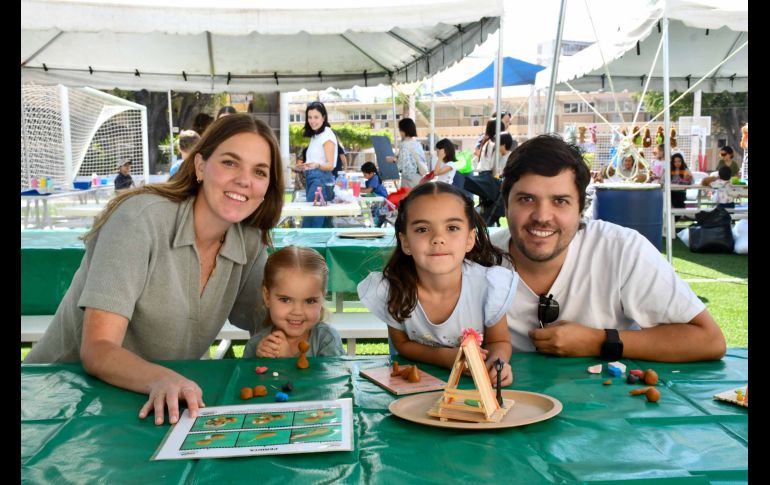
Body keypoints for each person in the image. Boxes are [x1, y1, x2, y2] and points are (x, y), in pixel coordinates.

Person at [24, 114, 286, 425]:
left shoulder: (250, 240)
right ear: (200, 166)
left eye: (259, 171)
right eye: (230, 163)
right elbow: (97, 349)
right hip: (53, 402)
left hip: (151, 409)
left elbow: (272, 320)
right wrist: (162, 379)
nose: (244, 180)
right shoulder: (138, 219)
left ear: (268, 186)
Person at [490, 134, 726, 362]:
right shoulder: (478, 258)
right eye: (526, 199)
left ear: (581, 209)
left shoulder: (621, 249)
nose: (542, 216)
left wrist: (599, 341)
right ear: (506, 204)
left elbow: (709, 340)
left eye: (560, 201)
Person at [358, 182, 516, 386]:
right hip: (412, 389)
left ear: (470, 239)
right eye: (422, 229)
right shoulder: (391, 289)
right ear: (405, 242)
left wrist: (497, 364)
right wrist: (446, 358)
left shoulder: (489, 286)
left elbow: (499, 341)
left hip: (473, 389)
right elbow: (402, 344)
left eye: (452, 228)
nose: (438, 239)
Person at [243, 246, 344, 359]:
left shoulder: (327, 340)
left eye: (310, 301)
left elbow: (333, 371)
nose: (297, 311)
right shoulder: (256, 345)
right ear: (267, 297)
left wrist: (287, 360)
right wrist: (258, 361)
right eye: (285, 300)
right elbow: (246, 371)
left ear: (322, 298)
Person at [299, 101, 337, 228]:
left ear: (323, 117)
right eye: (309, 117)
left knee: (312, 221)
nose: (312, 121)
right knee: (321, 221)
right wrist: (307, 166)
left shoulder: (327, 135)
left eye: (316, 117)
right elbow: (316, 160)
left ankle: (307, 242)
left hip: (320, 179)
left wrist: (316, 165)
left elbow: (330, 165)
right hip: (313, 178)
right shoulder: (316, 135)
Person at [386, 118, 424, 188]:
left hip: (409, 179)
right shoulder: (418, 144)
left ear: (403, 130)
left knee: (407, 195)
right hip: (419, 177)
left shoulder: (404, 144)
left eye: (400, 130)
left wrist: (393, 160)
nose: (400, 132)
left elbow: (402, 164)